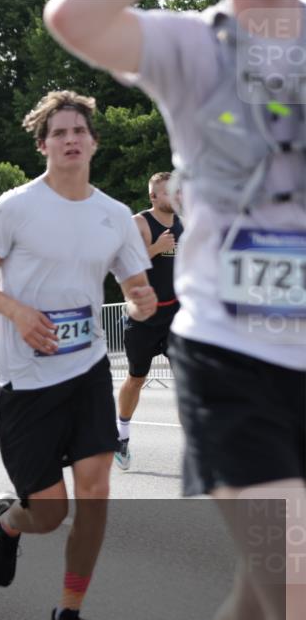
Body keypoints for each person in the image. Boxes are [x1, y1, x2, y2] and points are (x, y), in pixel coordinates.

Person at [46, 0, 306, 620]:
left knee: (261, 597)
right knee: (297, 593)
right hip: (234, 361)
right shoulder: (193, 43)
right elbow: (75, 19)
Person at [0, 90, 155, 620]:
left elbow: (134, 287)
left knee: (95, 493)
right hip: (25, 381)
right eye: (59, 132)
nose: (71, 139)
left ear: (93, 141)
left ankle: (67, 616)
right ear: (43, 144)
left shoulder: (115, 215)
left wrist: (141, 303)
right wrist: (17, 311)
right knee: (50, 512)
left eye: (79, 131)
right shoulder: (15, 207)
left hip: (88, 368)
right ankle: (12, 522)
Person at [114, 171, 184, 470]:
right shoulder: (139, 223)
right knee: (136, 378)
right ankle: (122, 435)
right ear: (154, 197)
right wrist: (154, 249)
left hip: (176, 315)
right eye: (167, 192)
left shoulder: (186, 223)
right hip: (143, 317)